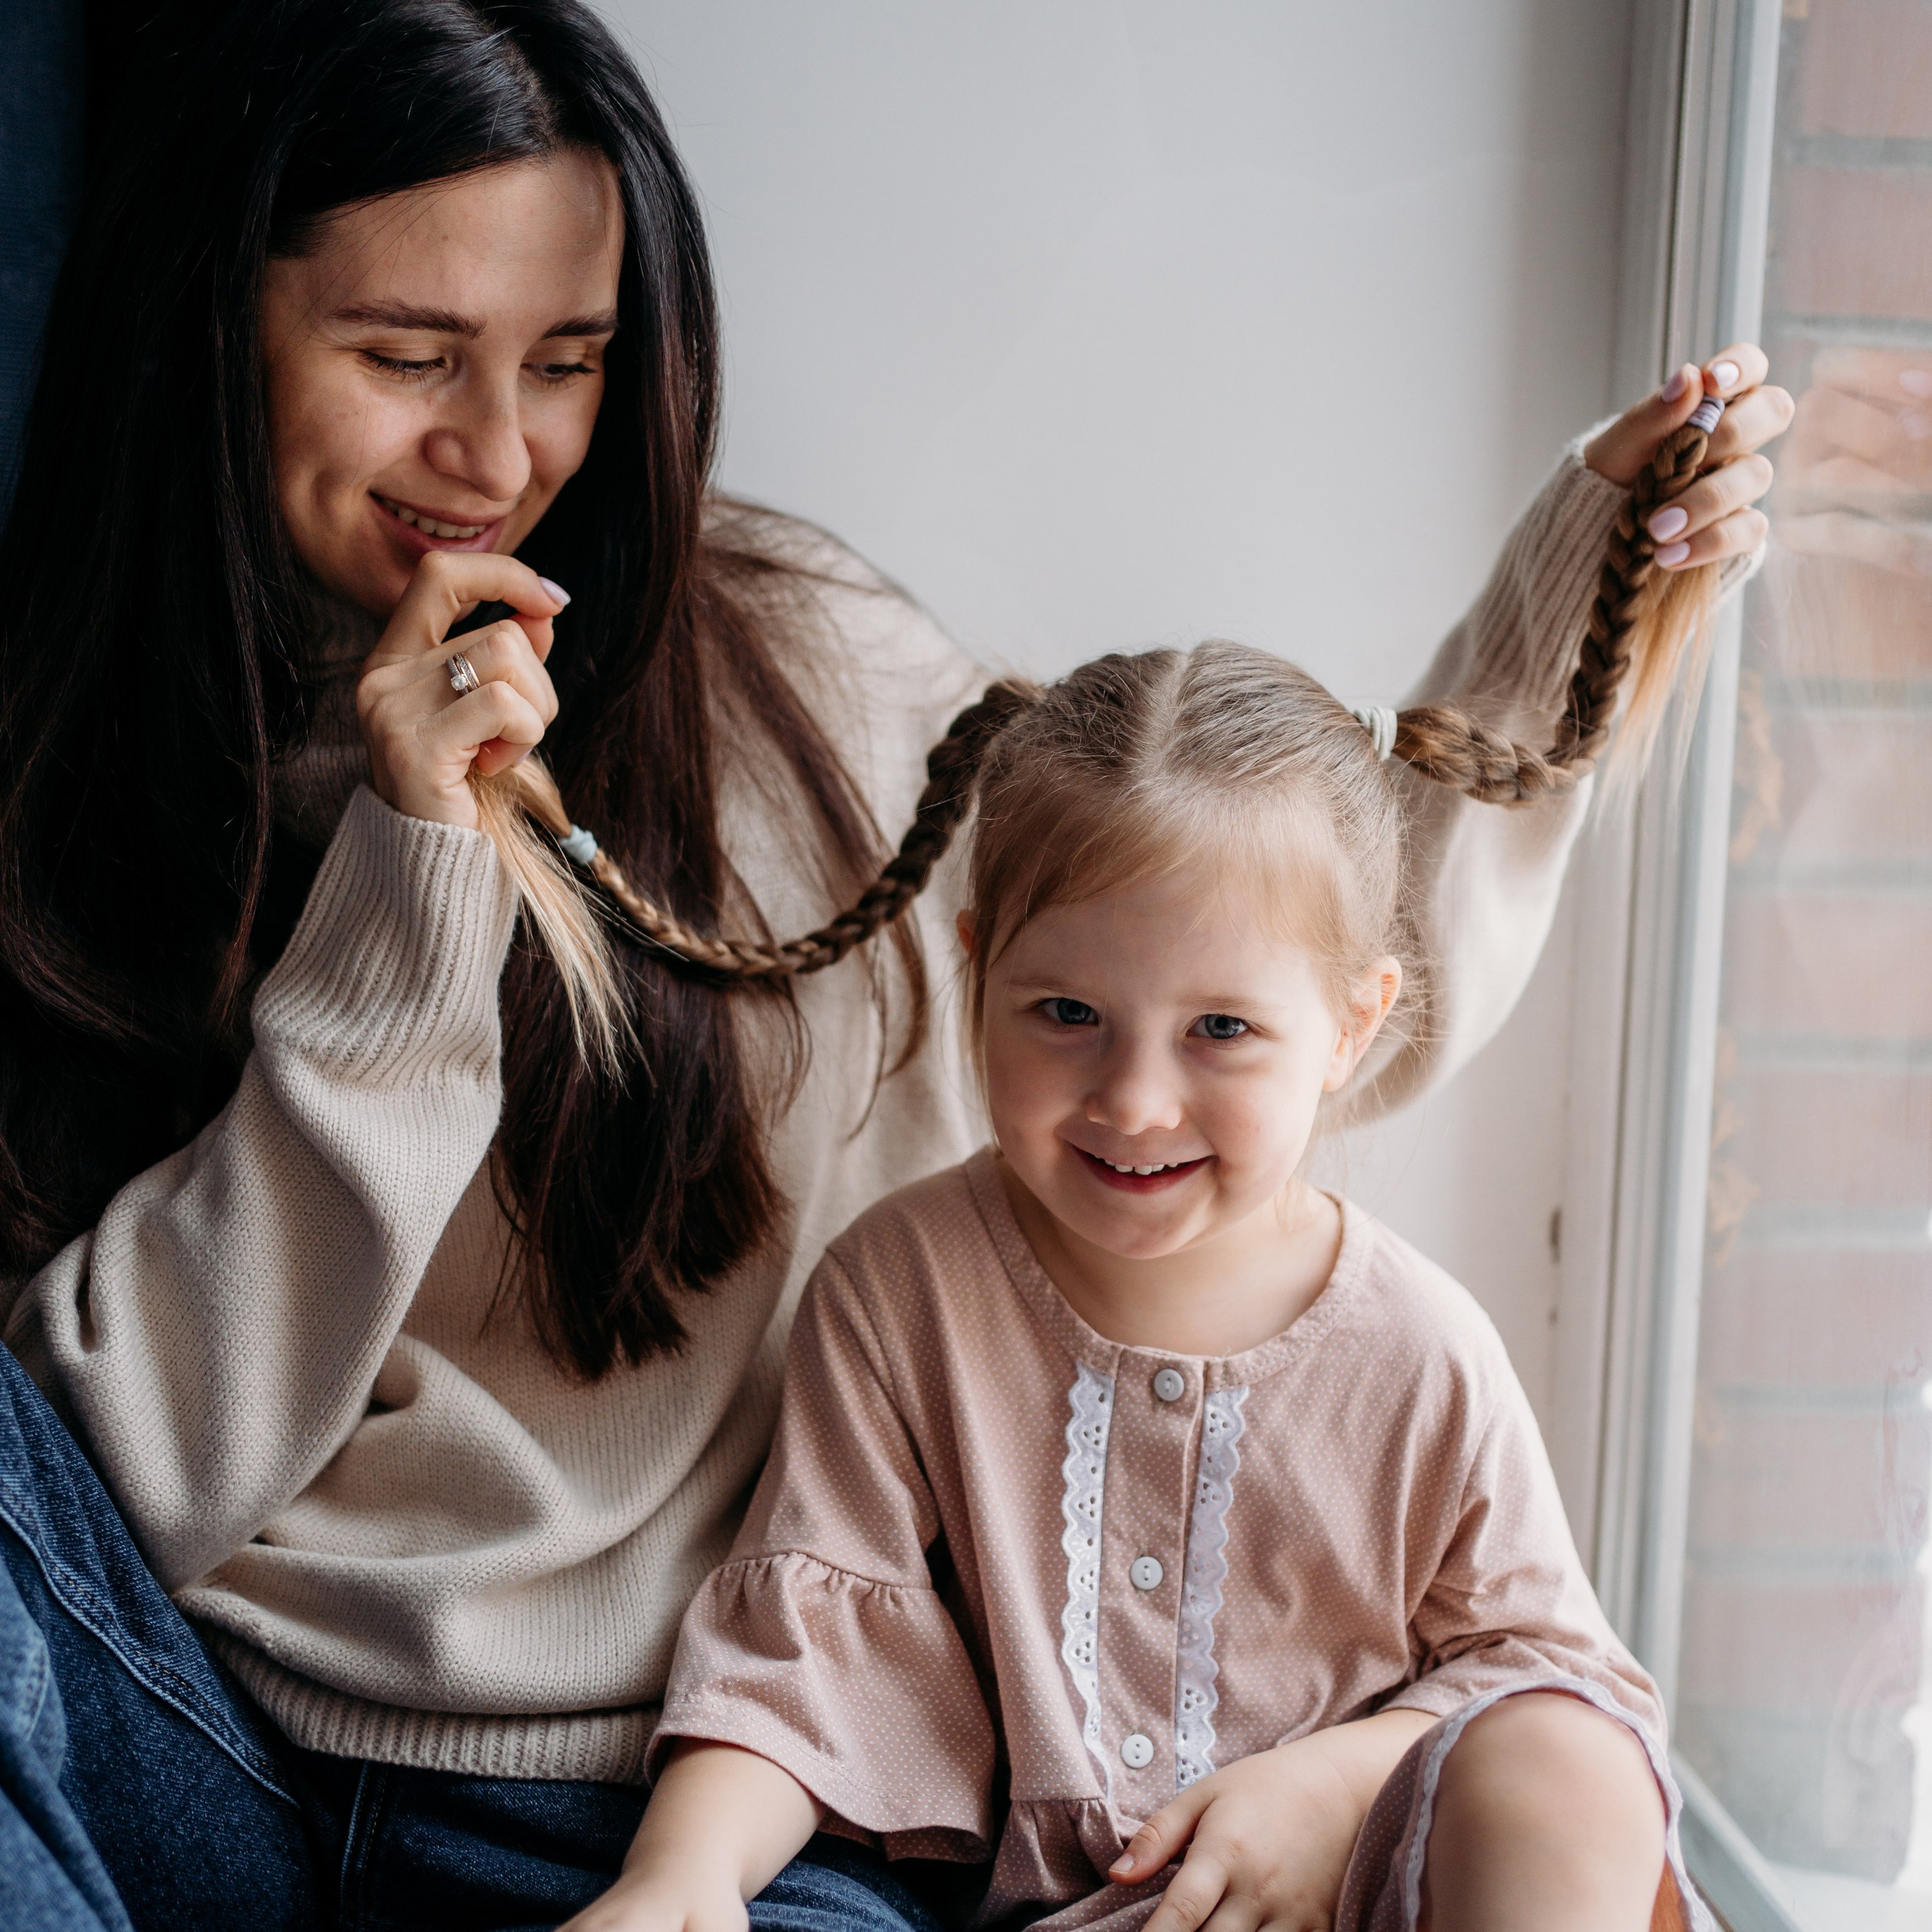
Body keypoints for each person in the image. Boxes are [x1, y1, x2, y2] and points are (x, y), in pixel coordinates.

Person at [0, 1, 1786, 1927]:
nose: (497, 449)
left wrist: (1582, 580)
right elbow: (113, 1486)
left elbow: (1233, 955)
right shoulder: (78, 763)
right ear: (213, 332)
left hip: (686, 1790)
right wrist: (416, 875)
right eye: (405, 353)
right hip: (192, 1722)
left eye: (572, 359)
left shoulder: (802, 671)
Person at [580, 641, 1715, 1932]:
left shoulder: (1421, 1347)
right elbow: (814, 1661)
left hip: (1361, 1902)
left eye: (1221, 1030)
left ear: (1350, 1027)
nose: (1132, 1101)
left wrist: (1338, 1785)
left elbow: (1561, 1685)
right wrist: (681, 1876)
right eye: (1065, 1011)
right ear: (977, 973)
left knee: (1564, 1766)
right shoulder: (903, 1292)